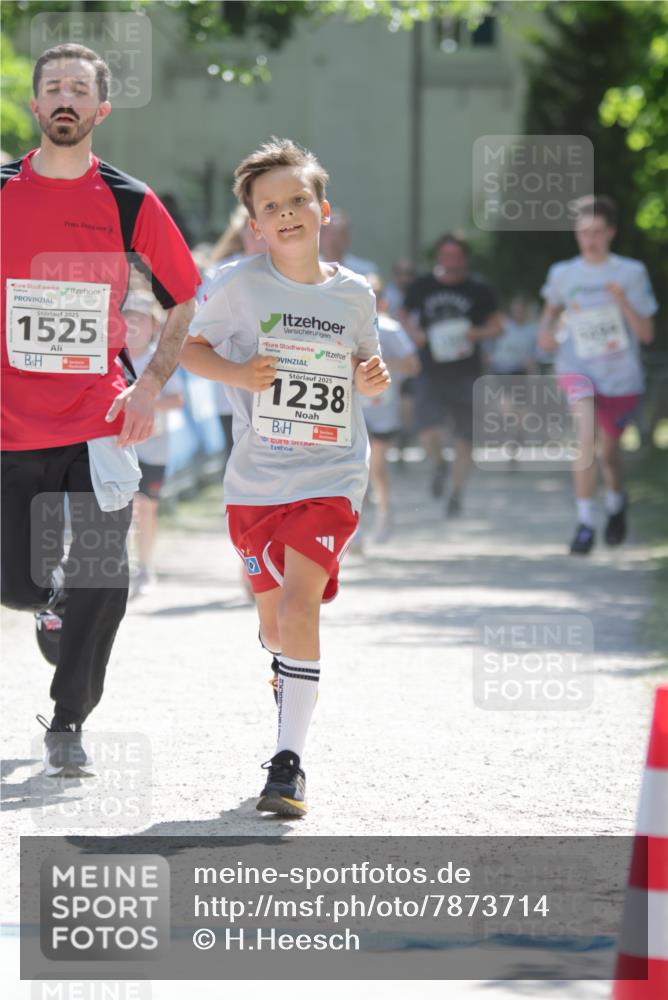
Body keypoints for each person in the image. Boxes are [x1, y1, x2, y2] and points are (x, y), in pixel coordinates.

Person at [1, 44, 200, 776]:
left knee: (102, 570)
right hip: (9, 429)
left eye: (78, 89)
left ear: (99, 109)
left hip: (97, 421)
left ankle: (67, 720)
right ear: (34, 104)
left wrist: (147, 386)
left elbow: (187, 297)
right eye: (52, 86)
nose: (64, 98)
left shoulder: (128, 201)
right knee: (13, 585)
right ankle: (44, 600)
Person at [181, 137, 390, 816]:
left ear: (322, 209)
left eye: (299, 199)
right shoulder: (239, 284)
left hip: (331, 474)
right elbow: (189, 346)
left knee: (302, 611)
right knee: (276, 628)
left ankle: (287, 763)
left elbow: (368, 373)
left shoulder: (356, 293)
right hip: (257, 481)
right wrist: (239, 373)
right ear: (255, 224)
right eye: (272, 206)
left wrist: (372, 379)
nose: (288, 212)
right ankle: (287, 668)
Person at [538, 195, 657, 554]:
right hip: (578, 369)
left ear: (612, 233)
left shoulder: (630, 272)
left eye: (598, 232)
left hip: (620, 377)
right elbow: (548, 324)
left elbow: (647, 333)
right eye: (584, 232)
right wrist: (549, 328)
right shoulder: (562, 274)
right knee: (585, 439)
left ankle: (617, 506)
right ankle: (586, 522)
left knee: (609, 455)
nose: (590, 239)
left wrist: (621, 301)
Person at [398, 234, 503, 515]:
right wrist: (414, 334)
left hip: (467, 373)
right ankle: (440, 464)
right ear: (439, 258)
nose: (451, 262)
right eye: (446, 256)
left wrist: (475, 333)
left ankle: (456, 493)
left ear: (464, 259)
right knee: (428, 432)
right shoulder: (423, 286)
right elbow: (402, 315)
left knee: (465, 438)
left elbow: (497, 327)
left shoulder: (479, 290)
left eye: (456, 256)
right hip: (430, 370)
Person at [124, 292, 184, 597]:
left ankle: (146, 568)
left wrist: (144, 403)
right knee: (121, 509)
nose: (132, 325)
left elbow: (177, 400)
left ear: (153, 326)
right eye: (127, 318)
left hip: (153, 445)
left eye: (140, 319)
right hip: (119, 446)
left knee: (146, 508)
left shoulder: (158, 359)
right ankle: (122, 566)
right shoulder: (111, 358)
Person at [361, 275, 420, 542]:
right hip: (354, 410)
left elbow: (413, 366)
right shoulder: (345, 327)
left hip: (384, 408)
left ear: (382, 301)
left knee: (376, 468)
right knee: (355, 469)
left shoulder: (391, 329)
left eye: (372, 297)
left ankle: (384, 516)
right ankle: (355, 529)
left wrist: (384, 364)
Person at [318, 207, 379, 277]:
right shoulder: (307, 268)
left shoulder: (364, 271)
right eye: (329, 233)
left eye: (340, 233)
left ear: (348, 237)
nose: (334, 238)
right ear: (320, 236)